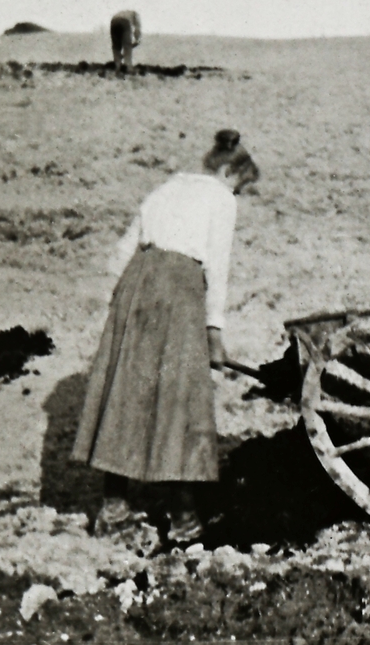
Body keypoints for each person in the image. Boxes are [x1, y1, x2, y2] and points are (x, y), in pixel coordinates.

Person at [71, 129, 260, 543]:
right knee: (181, 401)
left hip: (136, 282)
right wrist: (214, 332)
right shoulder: (221, 198)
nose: (238, 196)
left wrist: (117, 304)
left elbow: (123, 249)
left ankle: (114, 506)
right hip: (178, 289)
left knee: (127, 393)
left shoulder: (167, 187)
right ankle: (183, 517)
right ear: (229, 171)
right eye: (241, 187)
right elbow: (218, 267)